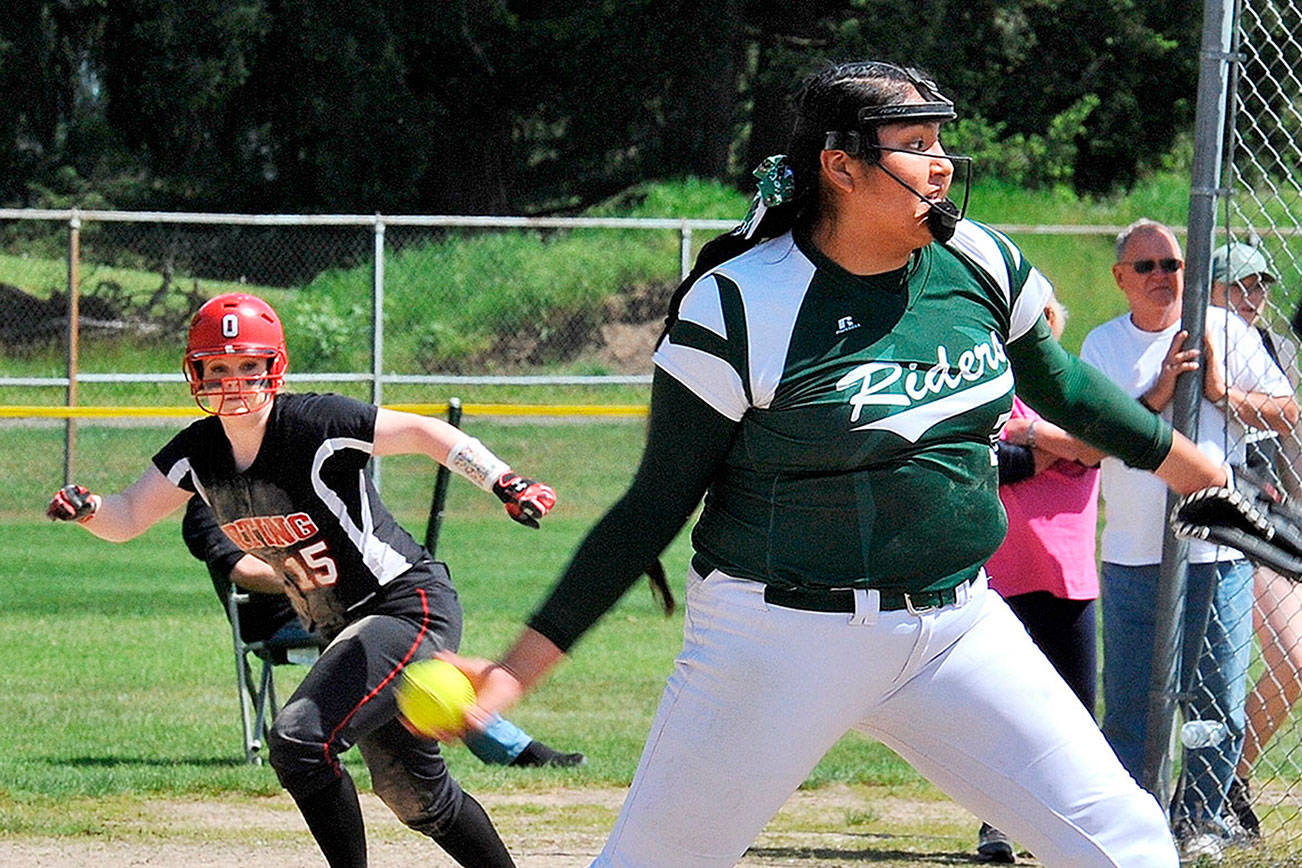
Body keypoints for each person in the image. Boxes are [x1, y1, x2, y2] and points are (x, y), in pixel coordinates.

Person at [440, 61, 1238, 867]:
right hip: (776, 638)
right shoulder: (743, 302)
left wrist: (1186, 465)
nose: (942, 164)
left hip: (956, 630)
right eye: (915, 144)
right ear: (841, 166)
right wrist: (513, 674)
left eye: (940, 143)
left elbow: (1062, 385)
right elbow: (652, 506)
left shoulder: (980, 264)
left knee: (1129, 845)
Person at [45, 292, 558, 868]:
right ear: (197, 372)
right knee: (417, 799)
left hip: (401, 605)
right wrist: (88, 510)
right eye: (218, 367)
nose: (234, 380)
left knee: (297, 739)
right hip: (341, 627)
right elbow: (129, 516)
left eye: (248, 365)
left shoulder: (314, 423)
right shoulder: (197, 452)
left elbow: (423, 433)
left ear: (273, 368)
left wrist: (504, 481)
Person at [1079, 220, 1297, 860]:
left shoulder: (1226, 331)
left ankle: (1200, 818)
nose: (1159, 277)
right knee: (1128, 701)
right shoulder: (1103, 345)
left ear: (1188, 269)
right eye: (1144, 267)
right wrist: (1160, 393)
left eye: (1170, 265)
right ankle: (1132, 818)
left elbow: (1288, 409)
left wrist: (1222, 392)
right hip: (1133, 552)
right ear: (1120, 278)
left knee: (1217, 698)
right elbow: (1090, 442)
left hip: (1218, 551)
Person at [180, 494, 586, 769]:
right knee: (410, 654)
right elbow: (243, 570)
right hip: (287, 619)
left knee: (412, 646)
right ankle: (512, 747)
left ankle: (496, 740)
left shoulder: (284, 486)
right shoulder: (205, 505)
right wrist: (314, 575)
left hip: (349, 608)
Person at [976, 296, 1107, 863]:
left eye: (1043, 320)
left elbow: (1094, 445)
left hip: (1067, 578)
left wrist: (1025, 431)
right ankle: (996, 824)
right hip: (1000, 575)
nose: (1033, 331)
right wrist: (1048, 445)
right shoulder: (984, 391)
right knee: (1001, 708)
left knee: (1076, 711)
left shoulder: (1075, 387)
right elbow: (987, 463)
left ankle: (1072, 825)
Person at [1209, 241, 1302, 838]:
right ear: (1212, 291)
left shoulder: (1279, 349)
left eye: (1260, 285)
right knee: (1293, 659)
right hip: (1236, 517)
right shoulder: (1200, 337)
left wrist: (1234, 398)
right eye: (1239, 285)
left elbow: (1289, 422)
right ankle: (1214, 783)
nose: (1254, 297)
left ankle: (1224, 779)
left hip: (1286, 517)